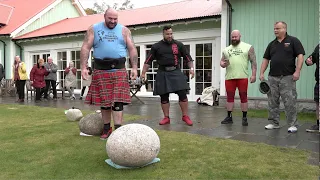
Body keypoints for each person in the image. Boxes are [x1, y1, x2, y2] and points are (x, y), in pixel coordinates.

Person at [80, 8, 138, 140]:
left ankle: (118, 129)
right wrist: (83, 66)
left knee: (118, 102)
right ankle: (107, 128)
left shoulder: (124, 30)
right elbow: (85, 47)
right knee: (105, 103)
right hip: (101, 70)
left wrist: (134, 67)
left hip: (119, 70)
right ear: (104, 16)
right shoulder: (93, 29)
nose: (113, 21)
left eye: (115, 19)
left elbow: (132, 48)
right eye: (110, 19)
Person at [141, 26, 195, 126]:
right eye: (167, 34)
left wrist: (191, 69)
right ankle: (166, 117)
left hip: (176, 71)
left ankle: (185, 116)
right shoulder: (156, 46)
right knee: (164, 96)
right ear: (163, 34)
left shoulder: (178, 45)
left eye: (171, 34)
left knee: (182, 93)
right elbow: (148, 60)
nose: (170, 36)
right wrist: (143, 73)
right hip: (163, 72)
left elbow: (188, 57)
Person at [260, 21, 305, 133]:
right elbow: (266, 59)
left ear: (284, 29)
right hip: (272, 78)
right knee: (272, 101)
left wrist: (297, 71)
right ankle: (274, 123)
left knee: (290, 101)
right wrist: (261, 73)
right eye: (274, 28)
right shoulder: (272, 44)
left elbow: (300, 56)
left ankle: (292, 124)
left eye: (278, 28)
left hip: (288, 77)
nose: (275, 30)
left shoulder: (293, 41)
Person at [220, 30, 257, 126]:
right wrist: (222, 64)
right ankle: (229, 117)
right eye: (232, 37)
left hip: (242, 77)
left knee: (243, 97)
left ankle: (244, 117)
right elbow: (222, 62)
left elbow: (253, 62)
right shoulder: (226, 49)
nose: (234, 38)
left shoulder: (248, 47)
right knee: (229, 98)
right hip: (229, 77)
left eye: (236, 37)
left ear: (240, 36)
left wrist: (253, 75)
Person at [305, 44, 319, 133]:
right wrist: (308, 61)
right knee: (318, 104)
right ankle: (319, 124)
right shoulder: (318, 47)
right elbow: (311, 59)